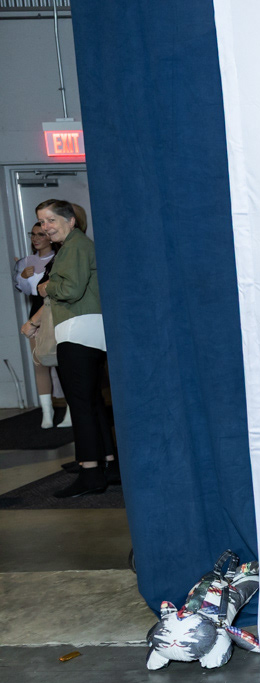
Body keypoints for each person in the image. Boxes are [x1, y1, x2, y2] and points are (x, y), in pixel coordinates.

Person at [24, 200, 114, 496]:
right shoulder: (76, 245)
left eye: (51, 220)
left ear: (71, 220)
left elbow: (71, 290)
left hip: (77, 331)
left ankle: (91, 472)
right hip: (86, 329)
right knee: (90, 402)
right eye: (42, 222)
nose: (46, 227)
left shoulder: (74, 246)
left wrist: (45, 287)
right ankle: (108, 464)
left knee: (81, 405)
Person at [12, 221, 64, 428]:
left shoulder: (60, 258)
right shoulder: (26, 261)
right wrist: (23, 277)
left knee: (64, 363)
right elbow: (25, 290)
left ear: (50, 236)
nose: (35, 238)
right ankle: (47, 412)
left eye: (40, 234)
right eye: (33, 234)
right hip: (36, 312)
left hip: (57, 311)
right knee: (39, 363)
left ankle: (71, 410)